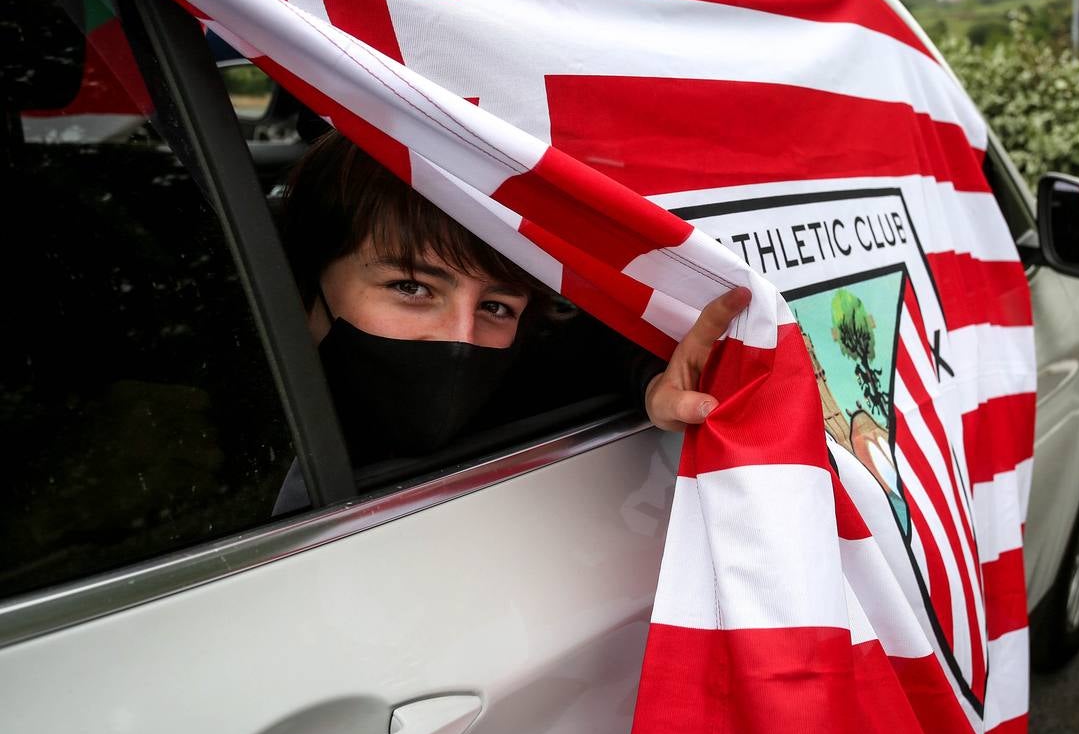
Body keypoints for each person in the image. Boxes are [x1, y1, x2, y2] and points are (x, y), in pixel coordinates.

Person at [277, 130, 747, 489]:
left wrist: (652, 379)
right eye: (411, 287)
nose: (459, 337)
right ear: (301, 288)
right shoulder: (256, 436)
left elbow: (589, 340)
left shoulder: (526, 369)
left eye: (496, 306)